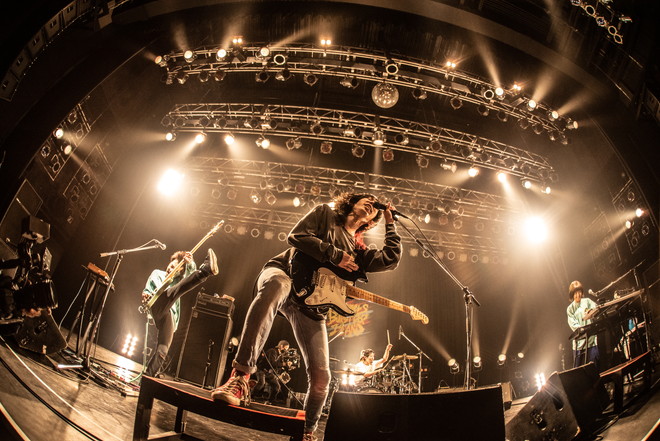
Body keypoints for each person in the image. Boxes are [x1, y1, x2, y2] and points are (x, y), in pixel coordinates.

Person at [211, 193, 401, 441]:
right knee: (276, 286)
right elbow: (296, 236)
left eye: (375, 205)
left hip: (310, 306)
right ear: (351, 202)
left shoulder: (358, 251)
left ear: (372, 220)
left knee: (322, 379)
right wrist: (334, 255)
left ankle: (307, 432)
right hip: (284, 274)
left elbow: (390, 259)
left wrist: (390, 222)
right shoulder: (326, 214)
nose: (371, 202)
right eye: (366, 198)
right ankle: (240, 377)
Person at [141, 248, 219, 377]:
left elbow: (188, 276)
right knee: (172, 291)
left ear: (179, 271)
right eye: (171, 265)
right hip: (157, 305)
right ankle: (205, 271)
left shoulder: (177, 279)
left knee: (163, 347)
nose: (170, 269)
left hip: (169, 315)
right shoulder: (158, 273)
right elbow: (149, 288)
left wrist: (190, 263)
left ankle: (148, 375)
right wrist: (146, 294)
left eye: (174, 268)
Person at [566, 280, 599, 368]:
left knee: (593, 367)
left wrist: (591, 312)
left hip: (591, 341)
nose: (578, 295)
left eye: (579, 292)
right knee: (580, 369)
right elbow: (573, 324)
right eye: (575, 293)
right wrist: (583, 329)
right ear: (572, 294)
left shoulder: (587, 301)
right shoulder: (570, 309)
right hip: (579, 344)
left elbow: (596, 309)